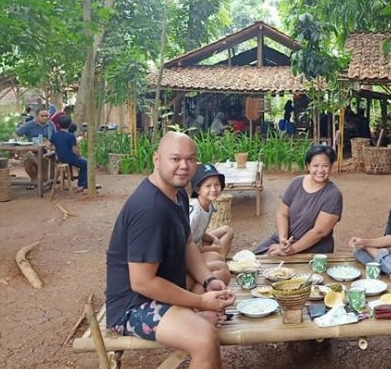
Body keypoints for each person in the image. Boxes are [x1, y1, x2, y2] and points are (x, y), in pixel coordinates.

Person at [105, 132, 235, 369]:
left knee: (218, 274)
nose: (184, 166)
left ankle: (195, 313)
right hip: (133, 305)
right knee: (204, 337)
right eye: (175, 159)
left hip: (161, 286)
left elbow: (186, 242)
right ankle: (195, 317)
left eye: (191, 159)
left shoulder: (178, 195)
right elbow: (142, 283)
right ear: (157, 159)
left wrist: (208, 281)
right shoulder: (149, 209)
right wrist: (201, 302)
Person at [253, 145, 342, 255]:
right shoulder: (296, 183)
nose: (320, 170)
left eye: (325, 166)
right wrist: (283, 239)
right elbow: (282, 213)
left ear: (331, 166)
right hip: (286, 240)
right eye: (315, 165)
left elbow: (319, 232)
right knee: (250, 260)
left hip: (314, 247)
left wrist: (292, 249)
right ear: (308, 166)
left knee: (286, 270)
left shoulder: (333, 195)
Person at [188, 163, 235, 280]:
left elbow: (199, 231)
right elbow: (186, 243)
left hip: (197, 241)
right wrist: (212, 248)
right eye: (208, 186)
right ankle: (216, 264)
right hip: (189, 252)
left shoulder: (209, 206)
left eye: (217, 185)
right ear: (198, 189)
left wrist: (213, 240)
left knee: (227, 230)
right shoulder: (195, 211)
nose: (213, 189)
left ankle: (218, 259)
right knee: (216, 253)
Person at [12, 108, 55, 189]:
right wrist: (19, 141)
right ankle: (35, 180)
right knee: (28, 163)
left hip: (47, 150)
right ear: (37, 116)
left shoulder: (51, 125)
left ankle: (43, 181)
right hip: (32, 149)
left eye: (46, 116)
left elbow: (56, 137)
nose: (45, 118)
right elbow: (15, 134)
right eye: (42, 116)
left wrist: (50, 142)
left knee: (42, 157)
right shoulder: (29, 125)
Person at [50, 115, 90, 193]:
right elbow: (74, 150)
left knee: (83, 162)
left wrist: (58, 148)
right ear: (70, 125)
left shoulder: (54, 135)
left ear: (58, 124)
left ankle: (83, 184)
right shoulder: (71, 136)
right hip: (70, 157)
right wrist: (79, 156)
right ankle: (82, 185)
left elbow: (49, 146)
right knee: (85, 163)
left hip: (61, 157)